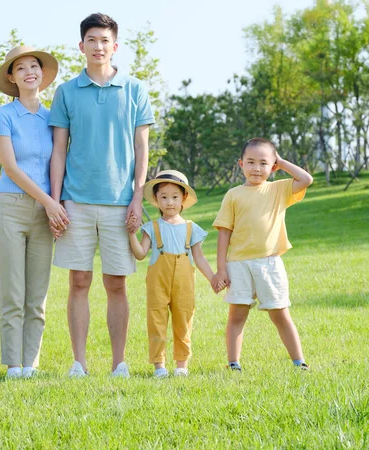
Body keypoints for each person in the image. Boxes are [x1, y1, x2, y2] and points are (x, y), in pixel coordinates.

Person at [49, 13, 154, 378]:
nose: (98, 46)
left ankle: (119, 363)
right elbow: (59, 150)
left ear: (115, 46)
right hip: (75, 201)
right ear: (82, 46)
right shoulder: (65, 92)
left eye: (104, 40)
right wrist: (55, 199)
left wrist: (138, 197)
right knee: (78, 282)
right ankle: (78, 363)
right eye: (91, 40)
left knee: (116, 284)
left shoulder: (135, 89)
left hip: (121, 202)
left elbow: (143, 151)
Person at [0, 45, 69, 378]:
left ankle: (31, 364)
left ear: (43, 74)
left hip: (45, 213)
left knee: (37, 294)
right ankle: (13, 365)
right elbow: (11, 166)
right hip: (10, 208)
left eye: (34, 66)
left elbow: (59, 163)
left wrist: (56, 205)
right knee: (13, 292)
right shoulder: (3, 116)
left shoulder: (54, 118)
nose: (28, 72)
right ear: (12, 77)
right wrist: (49, 201)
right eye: (19, 68)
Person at [212, 138, 313, 372]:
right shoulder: (233, 195)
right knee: (237, 315)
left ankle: (299, 362)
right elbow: (224, 234)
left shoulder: (278, 189)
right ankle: (233, 363)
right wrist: (221, 268)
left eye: (263, 163)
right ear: (241, 164)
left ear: (273, 166)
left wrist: (282, 162)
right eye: (250, 162)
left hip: (269, 263)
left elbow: (306, 179)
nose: (256, 168)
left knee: (280, 314)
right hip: (238, 264)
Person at [128, 170, 222, 378]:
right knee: (156, 322)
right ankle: (159, 366)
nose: (169, 202)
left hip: (184, 285)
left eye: (175, 197)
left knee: (184, 322)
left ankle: (181, 366)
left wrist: (213, 278)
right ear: (156, 200)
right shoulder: (151, 228)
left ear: (183, 199)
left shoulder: (191, 228)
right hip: (157, 285)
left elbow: (199, 258)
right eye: (164, 197)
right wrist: (131, 235)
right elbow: (141, 254)